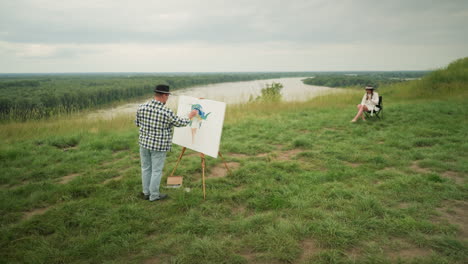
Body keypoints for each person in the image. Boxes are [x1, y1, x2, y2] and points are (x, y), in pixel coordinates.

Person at [135, 84, 197, 202]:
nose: (168, 98)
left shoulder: (141, 106)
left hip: (143, 143)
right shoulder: (165, 111)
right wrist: (190, 115)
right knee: (156, 171)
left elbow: (137, 123)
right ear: (164, 95)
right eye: (167, 95)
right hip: (158, 146)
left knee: (146, 168)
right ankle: (154, 196)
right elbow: (180, 123)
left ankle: (146, 192)